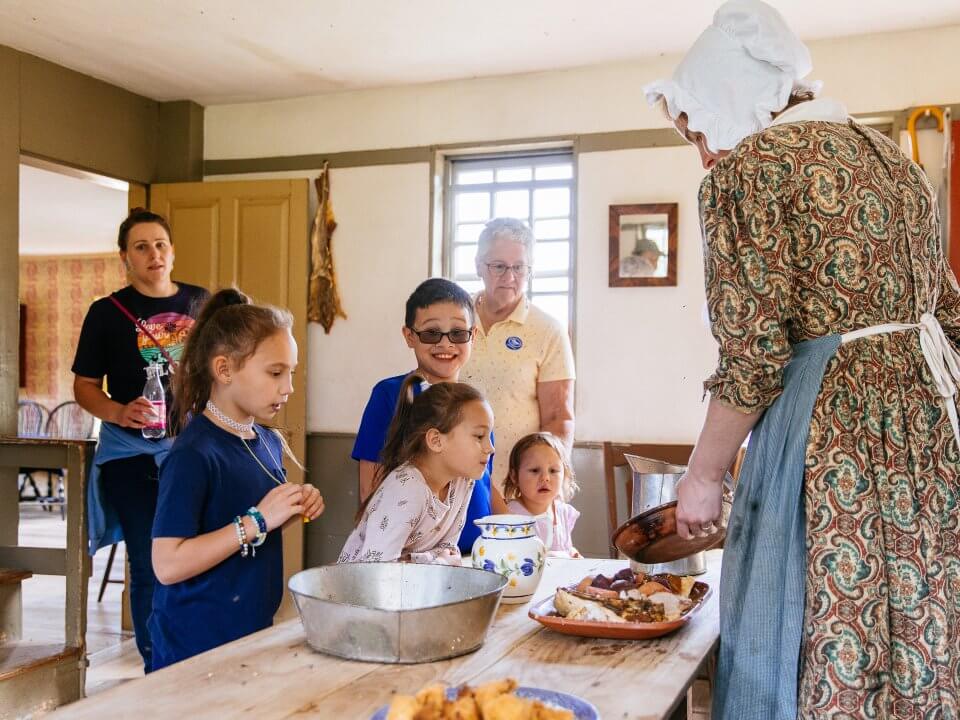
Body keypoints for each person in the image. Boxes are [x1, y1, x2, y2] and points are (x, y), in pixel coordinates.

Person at [645, 1, 960, 718]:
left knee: (813, 623)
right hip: (928, 439)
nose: (704, 153)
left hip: (828, 433)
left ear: (731, 96)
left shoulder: (750, 172)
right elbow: (952, 312)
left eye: (697, 130)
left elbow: (753, 355)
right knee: (913, 627)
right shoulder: (894, 161)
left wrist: (703, 474)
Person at [148, 289, 324, 671]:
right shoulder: (192, 455)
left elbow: (245, 522)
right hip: (193, 649)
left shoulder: (268, 442)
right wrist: (257, 521)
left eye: (291, 372)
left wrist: (290, 509)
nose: (288, 387)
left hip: (248, 636)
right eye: (275, 373)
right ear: (224, 369)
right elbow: (167, 564)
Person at [72, 207, 208, 670]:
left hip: (195, 451)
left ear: (173, 250)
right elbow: (84, 385)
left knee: (202, 552)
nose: (154, 254)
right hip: (131, 457)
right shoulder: (106, 313)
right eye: (141, 247)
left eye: (160, 244)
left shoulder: (202, 303)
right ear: (125, 258)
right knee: (150, 560)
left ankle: (195, 652)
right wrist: (117, 410)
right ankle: (158, 662)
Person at [351, 278, 504, 553]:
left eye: (458, 333)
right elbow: (370, 491)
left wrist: (514, 533)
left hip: (467, 557)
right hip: (412, 564)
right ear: (409, 336)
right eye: (432, 333)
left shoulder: (475, 406)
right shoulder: (389, 395)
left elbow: (484, 481)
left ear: (473, 336)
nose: (445, 344)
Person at [460, 218, 576, 486]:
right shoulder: (455, 320)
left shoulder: (548, 330)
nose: (509, 277)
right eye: (498, 266)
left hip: (517, 491)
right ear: (479, 265)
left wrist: (546, 489)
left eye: (519, 267)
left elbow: (559, 417)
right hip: (455, 486)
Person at [339, 376, 494, 565]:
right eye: (479, 436)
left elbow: (448, 551)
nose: (490, 448)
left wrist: (440, 562)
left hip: (418, 589)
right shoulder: (407, 490)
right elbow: (378, 575)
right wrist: (440, 563)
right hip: (362, 592)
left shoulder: (463, 481)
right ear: (436, 440)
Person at [503, 432, 580, 557]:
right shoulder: (511, 514)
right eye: (534, 470)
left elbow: (566, 548)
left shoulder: (563, 512)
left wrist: (573, 553)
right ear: (514, 476)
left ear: (564, 474)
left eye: (553, 471)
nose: (545, 478)